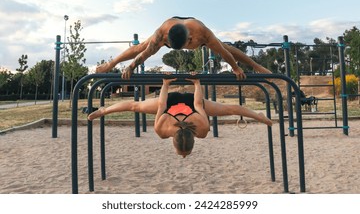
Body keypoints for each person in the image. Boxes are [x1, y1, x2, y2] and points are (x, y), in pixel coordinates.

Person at [88, 76, 272, 158]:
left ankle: (104, 111)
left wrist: (196, 83)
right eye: (186, 153)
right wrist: (167, 85)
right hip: (185, 103)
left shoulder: (201, 130)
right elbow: (198, 105)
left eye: (181, 153)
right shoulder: (162, 131)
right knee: (134, 106)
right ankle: (103, 111)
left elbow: (163, 104)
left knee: (232, 109)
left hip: (175, 103)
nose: (183, 157)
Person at [96, 16, 271, 79]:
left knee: (224, 47)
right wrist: (131, 66)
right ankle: (110, 65)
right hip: (170, 30)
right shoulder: (160, 34)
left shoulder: (202, 32)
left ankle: (257, 66)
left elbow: (224, 53)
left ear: (190, 40)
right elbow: (146, 52)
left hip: (195, 30)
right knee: (142, 45)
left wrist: (236, 68)